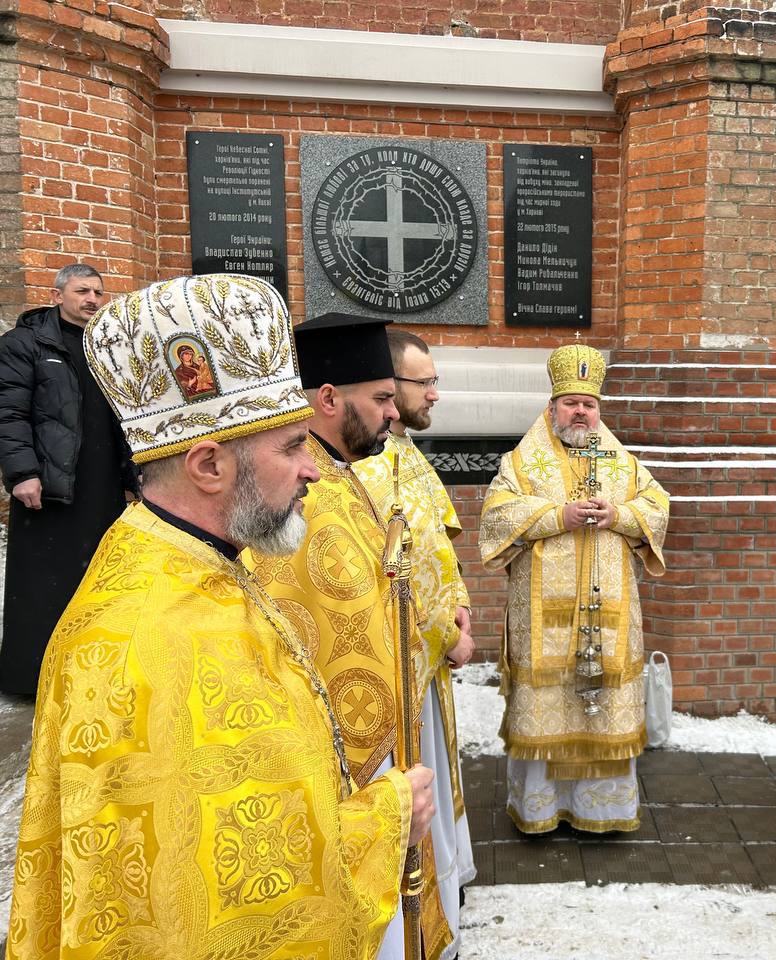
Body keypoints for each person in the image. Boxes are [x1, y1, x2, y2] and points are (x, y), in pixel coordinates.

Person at [5, 274, 435, 960]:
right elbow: (245, 907)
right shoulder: (158, 632)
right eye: (293, 448)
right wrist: (388, 817)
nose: (313, 472)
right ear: (209, 464)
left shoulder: (189, 560)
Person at [245, 312, 453, 960]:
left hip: (381, 743)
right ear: (330, 398)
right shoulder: (304, 497)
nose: (394, 414)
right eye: (383, 399)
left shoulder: (338, 476)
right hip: (346, 757)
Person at [479, 343, 670, 833]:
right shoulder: (523, 463)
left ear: (598, 410)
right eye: (571, 403)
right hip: (544, 623)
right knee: (547, 708)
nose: (580, 411)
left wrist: (621, 515)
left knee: (603, 710)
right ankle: (540, 808)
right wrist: (556, 517)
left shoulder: (622, 463)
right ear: (552, 407)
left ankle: (599, 811)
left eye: (589, 404)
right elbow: (497, 514)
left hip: (608, 617)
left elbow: (656, 504)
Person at [352, 329, 476, 953]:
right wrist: (444, 632)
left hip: (427, 657)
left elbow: (438, 549)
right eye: (422, 381)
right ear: (389, 389)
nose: (435, 393)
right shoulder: (364, 466)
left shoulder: (406, 452)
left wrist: (459, 615)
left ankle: (442, 896)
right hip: (394, 668)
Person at [0, 263, 136, 695]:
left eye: (98, 292)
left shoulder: (109, 348)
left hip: (102, 488)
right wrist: (22, 473)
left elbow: (125, 421)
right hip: (49, 488)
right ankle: (32, 680)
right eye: (82, 291)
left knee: (97, 580)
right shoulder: (25, 344)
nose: (92, 300)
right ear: (58, 295)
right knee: (42, 586)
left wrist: (132, 478)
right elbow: (10, 413)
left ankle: (89, 675)